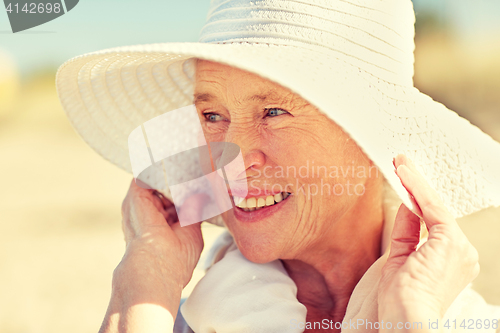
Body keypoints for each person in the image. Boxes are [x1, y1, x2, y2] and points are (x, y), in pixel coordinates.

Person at [55, 0, 500, 332]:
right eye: (212, 116)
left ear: (372, 138)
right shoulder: (166, 315)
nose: (234, 158)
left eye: (273, 112)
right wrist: (144, 278)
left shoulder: (467, 321)